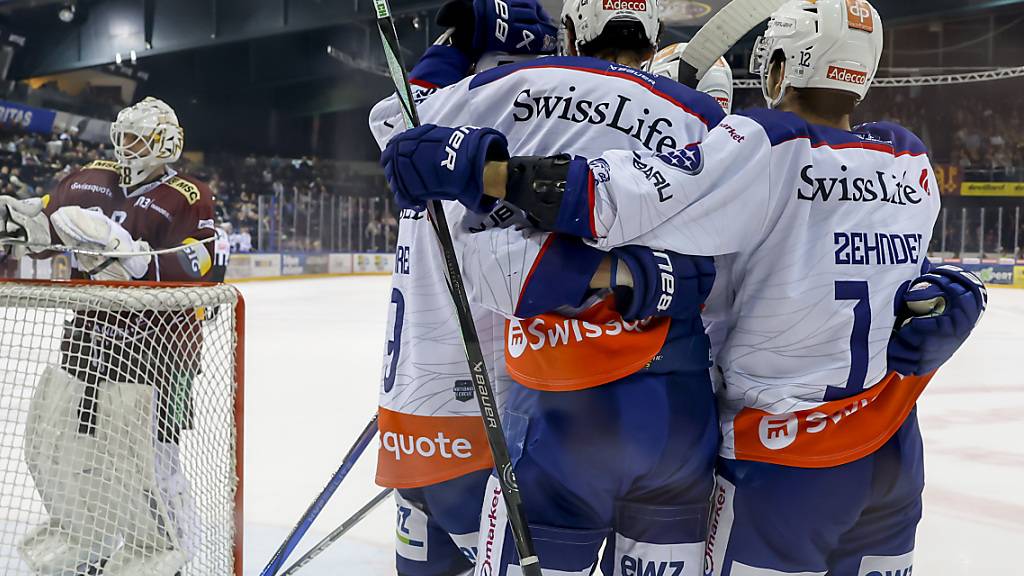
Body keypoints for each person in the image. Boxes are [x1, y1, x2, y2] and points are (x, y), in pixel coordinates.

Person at [382, 1, 988, 574]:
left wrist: (493, 173)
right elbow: (893, 271)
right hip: (889, 447)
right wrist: (964, 291)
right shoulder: (908, 163)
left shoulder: (766, 144)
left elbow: (628, 195)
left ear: (782, 64)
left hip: (774, 460)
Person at [373, 0, 737, 573]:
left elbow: (397, 128)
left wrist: (455, 44)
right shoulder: (704, 120)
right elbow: (735, 279)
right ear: (655, 34)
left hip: (513, 408)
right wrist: (647, 277)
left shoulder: (513, 85)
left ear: (570, 31)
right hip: (673, 415)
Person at [0, 96, 229, 575]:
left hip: (161, 351)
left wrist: (139, 261)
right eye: (123, 137)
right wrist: (20, 221)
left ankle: (168, 554)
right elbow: (44, 221)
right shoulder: (90, 177)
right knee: (70, 445)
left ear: (166, 143)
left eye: (139, 139)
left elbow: (206, 263)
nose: (128, 147)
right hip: (88, 337)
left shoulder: (189, 195)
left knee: (148, 458)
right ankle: (89, 538)